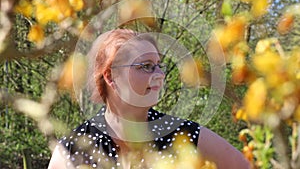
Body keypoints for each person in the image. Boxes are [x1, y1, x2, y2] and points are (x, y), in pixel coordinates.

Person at [48, 29, 250, 169]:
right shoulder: (73, 148)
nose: (160, 75)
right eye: (146, 66)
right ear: (110, 76)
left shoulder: (184, 136)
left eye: (158, 65)